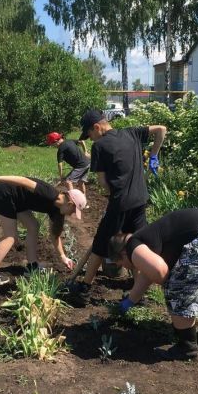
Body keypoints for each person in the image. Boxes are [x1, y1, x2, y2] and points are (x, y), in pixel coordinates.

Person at [108, 208, 198, 361]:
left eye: (120, 263)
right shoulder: (146, 238)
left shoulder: (132, 245)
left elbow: (160, 272)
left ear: (122, 253)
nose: (126, 267)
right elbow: (147, 275)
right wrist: (129, 302)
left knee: (177, 286)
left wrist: (175, 287)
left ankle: (187, 348)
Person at [68, 109, 166, 305]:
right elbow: (161, 129)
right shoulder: (132, 132)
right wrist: (153, 155)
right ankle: (138, 293)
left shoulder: (99, 146)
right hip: (140, 200)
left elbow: (103, 182)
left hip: (120, 203)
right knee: (137, 244)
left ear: (97, 127)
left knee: (100, 245)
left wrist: (111, 196)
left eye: (90, 135)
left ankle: (85, 289)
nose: (91, 139)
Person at [0, 173, 87, 287]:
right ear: (70, 204)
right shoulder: (49, 193)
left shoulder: (58, 210)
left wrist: (63, 257)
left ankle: (32, 266)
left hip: (18, 200)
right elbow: (23, 180)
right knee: (11, 237)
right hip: (4, 193)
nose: (72, 214)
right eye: (74, 211)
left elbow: (55, 235)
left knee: (33, 226)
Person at [45, 132, 90, 196]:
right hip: (87, 162)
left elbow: (60, 164)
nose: (53, 146)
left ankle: (74, 201)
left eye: (52, 144)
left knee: (67, 181)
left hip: (81, 166)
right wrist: (85, 151)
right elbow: (82, 141)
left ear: (55, 141)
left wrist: (61, 176)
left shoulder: (61, 149)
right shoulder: (69, 141)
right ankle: (83, 202)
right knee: (80, 182)